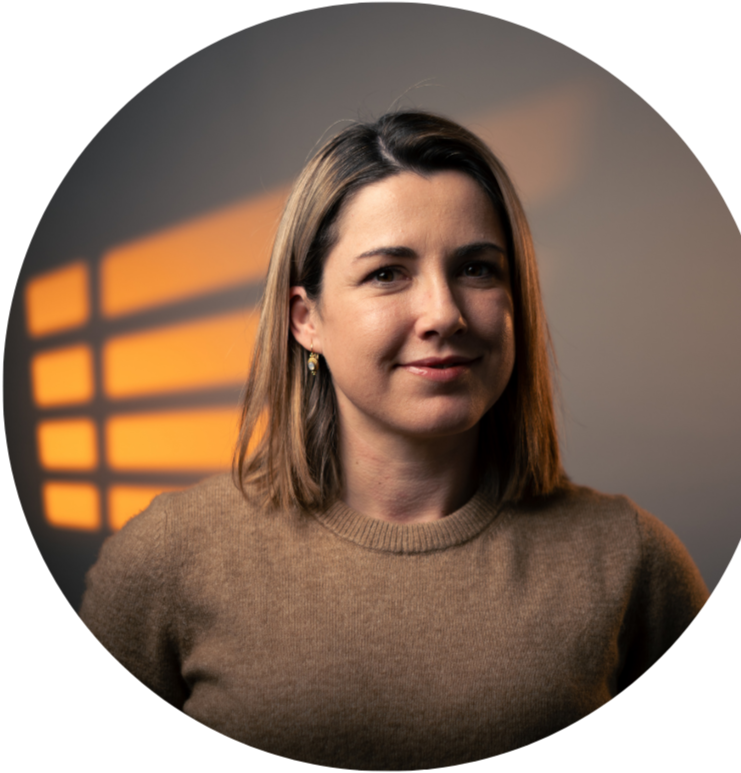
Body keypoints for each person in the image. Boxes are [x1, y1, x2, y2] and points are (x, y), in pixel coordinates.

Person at [79, 111, 709, 771]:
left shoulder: (630, 560)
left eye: (477, 268)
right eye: (387, 273)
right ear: (306, 319)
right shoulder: (170, 557)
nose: (444, 313)